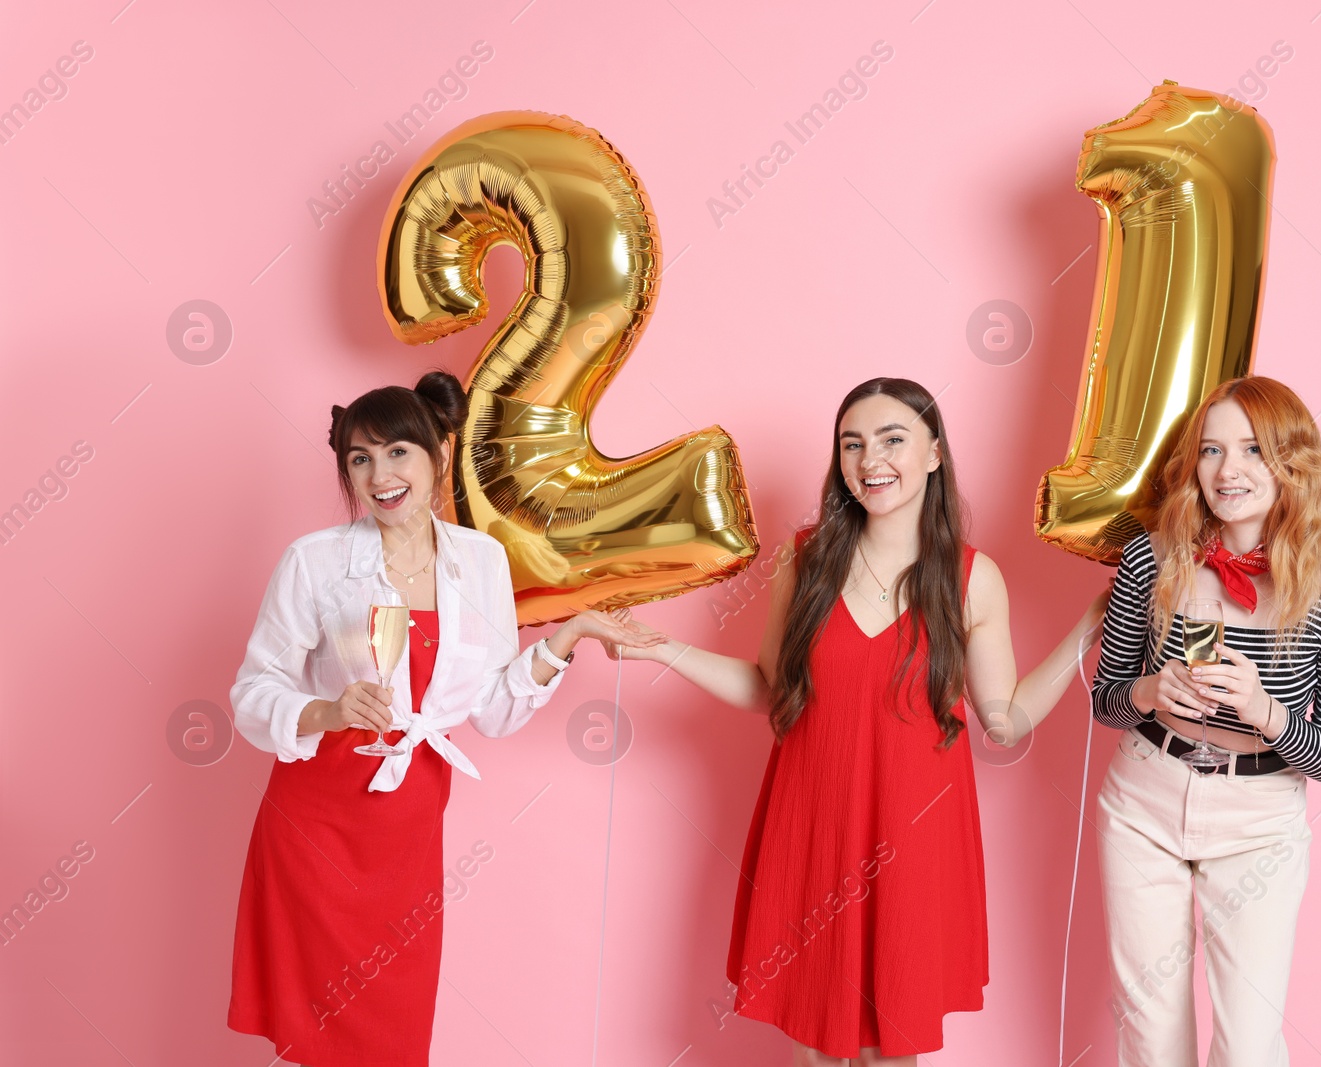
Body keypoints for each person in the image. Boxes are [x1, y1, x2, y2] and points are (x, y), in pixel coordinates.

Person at [610, 377, 1108, 1066]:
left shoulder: (971, 578)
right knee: (813, 1044)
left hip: (915, 837)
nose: (870, 459)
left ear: (934, 452)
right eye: (853, 444)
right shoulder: (806, 560)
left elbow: (1005, 719)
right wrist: (662, 646)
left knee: (891, 1044)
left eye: (892, 439)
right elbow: (769, 686)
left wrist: (1087, 631)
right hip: (814, 826)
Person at [226, 370, 664, 1066]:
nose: (379, 473)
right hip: (316, 825)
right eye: (359, 458)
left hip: (408, 828)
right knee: (318, 1037)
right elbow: (253, 692)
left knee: (392, 1031)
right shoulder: (314, 561)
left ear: (438, 452)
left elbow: (488, 709)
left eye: (398, 451)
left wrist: (565, 637)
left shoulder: (480, 562)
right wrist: (326, 707)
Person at [1090, 375, 1321, 1067]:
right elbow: (1105, 699)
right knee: (1151, 1038)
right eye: (1212, 451)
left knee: (1249, 1045)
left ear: (1292, 460)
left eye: (1252, 449)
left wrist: (1265, 710)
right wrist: (1152, 691)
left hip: (1258, 821)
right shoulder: (1149, 558)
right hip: (1143, 803)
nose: (1229, 470)